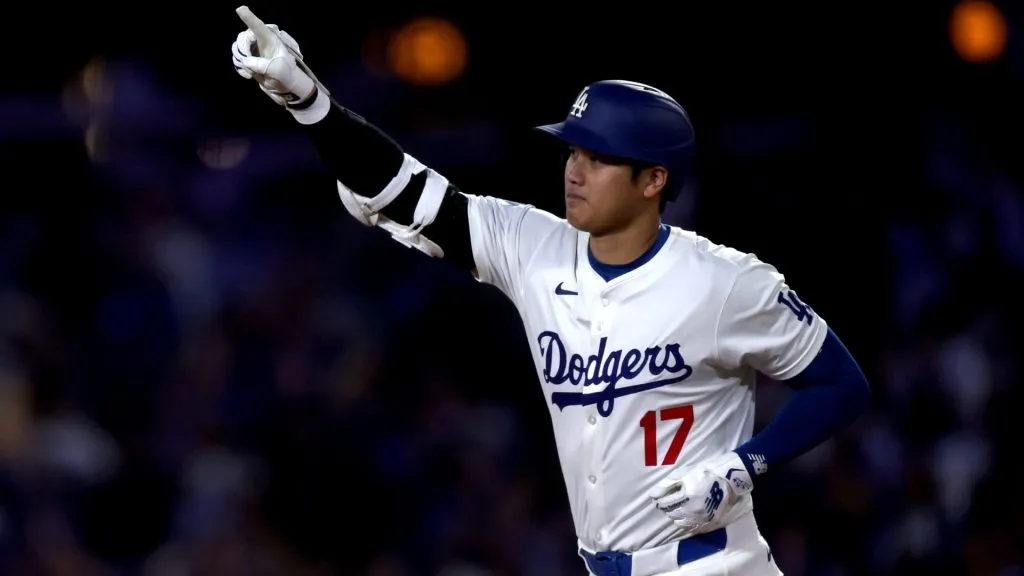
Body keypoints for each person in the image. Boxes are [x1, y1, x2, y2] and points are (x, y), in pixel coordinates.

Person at [230, 9, 872, 575]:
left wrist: (745, 465)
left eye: (598, 157)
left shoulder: (726, 282)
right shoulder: (531, 246)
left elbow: (843, 385)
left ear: (654, 180)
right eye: (572, 149)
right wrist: (310, 102)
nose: (574, 169)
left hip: (710, 565)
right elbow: (403, 189)